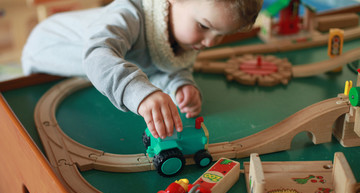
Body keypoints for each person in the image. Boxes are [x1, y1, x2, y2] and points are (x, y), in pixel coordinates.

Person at [22, 0, 262, 139]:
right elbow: (97, 56)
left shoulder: (187, 29)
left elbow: (166, 63)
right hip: (45, 59)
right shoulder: (129, 13)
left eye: (221, 35)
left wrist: (181, 84)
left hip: (83, 73)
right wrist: (141, 92)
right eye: (203, 26)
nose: (209, 42)